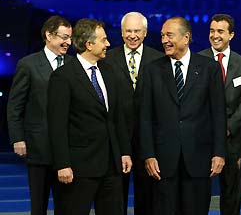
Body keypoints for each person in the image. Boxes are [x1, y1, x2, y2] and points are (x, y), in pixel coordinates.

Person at [138, 16, 226, 215]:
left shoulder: (209, 68)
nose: (164, 40)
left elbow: (218, 114)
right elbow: (144, 117)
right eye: (162, 36)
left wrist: (219, 152)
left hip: (199, 158)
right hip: (163, 161)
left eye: (169, 35)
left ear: (186, 38)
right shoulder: (152, 70)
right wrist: (148, 155)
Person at [47, 18, 132, 215]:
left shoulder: (109, 72)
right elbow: (57, 125)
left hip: (111, 166)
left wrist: (124, 152)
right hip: (79, 168)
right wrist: (63, 164)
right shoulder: (63, 76)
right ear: (89, 44)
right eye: (104, 40)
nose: (108, 45)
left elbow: (116, 116)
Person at [7, 15, 72, 215]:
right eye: (64, 37)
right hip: (38, 147)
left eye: (70, 37)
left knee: (67, 205)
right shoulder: (28, 64)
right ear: (49, 36)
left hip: (69, 148)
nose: (68, 42)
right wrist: (18, 138)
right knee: (39, 206)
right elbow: (15, 105)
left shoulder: (73, 63)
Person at [103, 12, 163, 215]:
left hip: (148, 142)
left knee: (147, 198)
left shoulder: (159, 59)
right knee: (114, 197)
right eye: (128, 31)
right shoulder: (107, 59)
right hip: (117, 140)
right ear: (121, 32)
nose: (133, 35)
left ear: (145, 33)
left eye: (137, 31)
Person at [198, 14, 241, 215]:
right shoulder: (197, 61)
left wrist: (228, 127)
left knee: (231, 193)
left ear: (231, 35)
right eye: (211, 31)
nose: (214, 35)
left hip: (232, 139)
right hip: (204, 139)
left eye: (220, 31)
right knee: (199, 193)